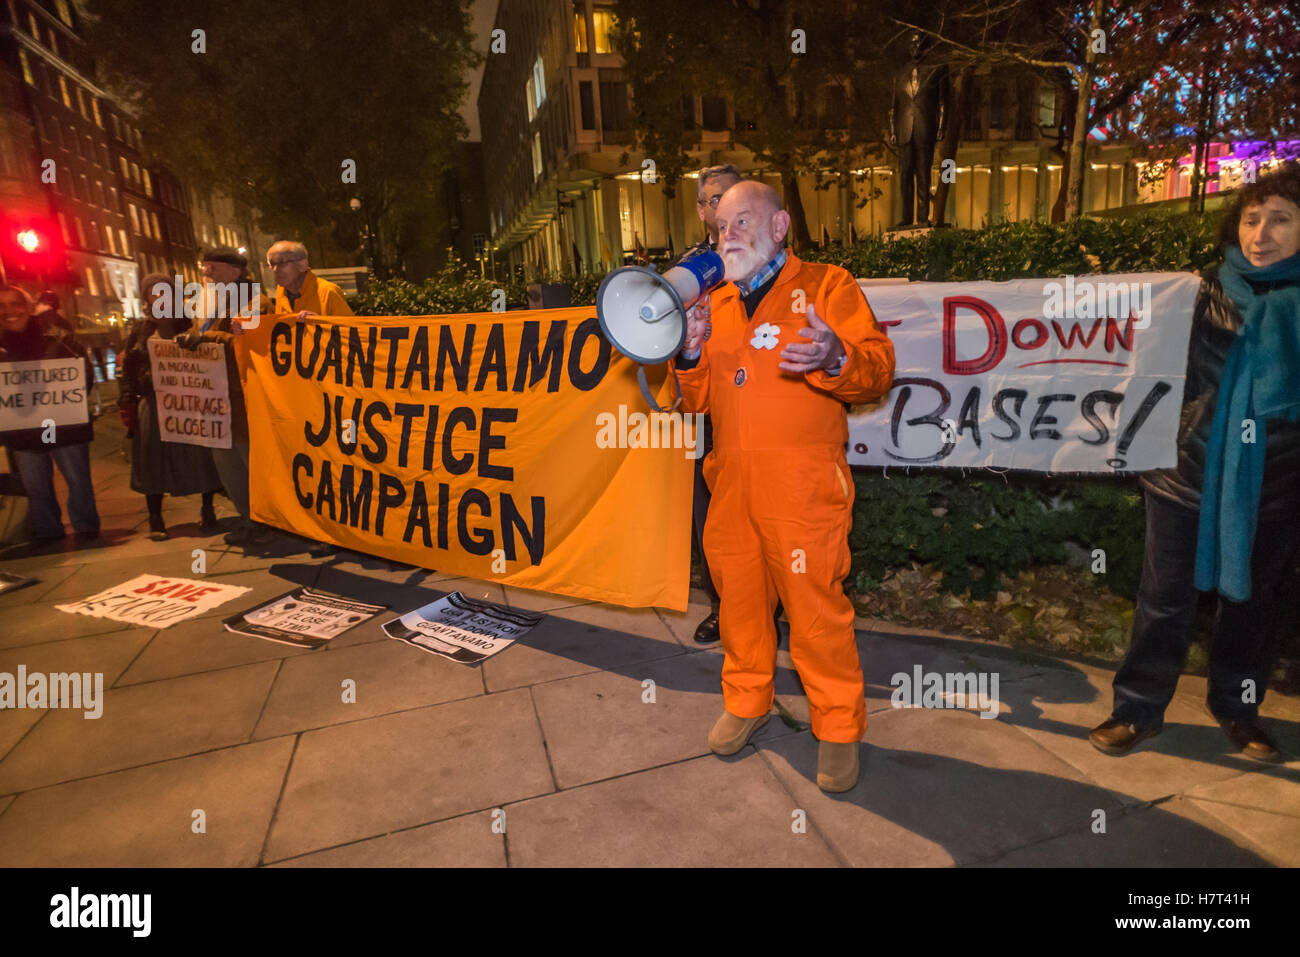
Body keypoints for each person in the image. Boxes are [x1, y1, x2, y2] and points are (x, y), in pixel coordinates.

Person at [671, 181, 896, 791]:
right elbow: (692, 401)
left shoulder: (828, 284)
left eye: (743, 220)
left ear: (779, 226)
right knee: (739, 604)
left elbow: (876, 368)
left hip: (803, 490)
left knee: (815, 614)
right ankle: (747, 700)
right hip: (733, 486)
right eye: (720, 226)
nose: (728, 235)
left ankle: (839, 727)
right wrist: (688, 355)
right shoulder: (713, 302)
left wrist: (832, 356)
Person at [1091, 162, 1300, 764]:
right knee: (1163, 599)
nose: (1260, 233)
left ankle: (1238, 711)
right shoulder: (1195, 294)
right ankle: (1137, 709)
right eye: (1251, 219)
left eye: (1280, 219)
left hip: (1278, 486)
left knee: (1254, 606)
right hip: (1184, 478)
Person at [261, 240, 353, 556]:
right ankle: (322, 529)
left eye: (282, 262)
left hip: (335, 396)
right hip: (307, 396)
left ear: (303, 264)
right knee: (315, 465)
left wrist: (322, 325)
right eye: (270, 263)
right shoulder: (282, 297)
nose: (275, 270)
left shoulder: (328, 293)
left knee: (337, 463)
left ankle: (342, 531)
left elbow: (354, 338)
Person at [177, 248, 273, 546]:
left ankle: (266, 523)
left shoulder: (257, 303)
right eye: (204, 268)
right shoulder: (213, 306)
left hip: (245, 401)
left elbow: (252, 344)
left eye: (213, 268)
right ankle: (248, 519)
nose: (206, 274)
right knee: (229, 469)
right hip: (218, 404)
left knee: (250, 465)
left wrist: (207, 339)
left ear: (235, 272)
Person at [682, 164, 742, 644]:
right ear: (701, 210)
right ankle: (721, 606)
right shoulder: (692, 269)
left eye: (725, 196)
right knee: (710, 520)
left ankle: (767, 609)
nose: (717, 207)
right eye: (709, 200)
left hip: (760, 408)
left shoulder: (772, 258)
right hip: (708, 412)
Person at [117, 274, 223, 541]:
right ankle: (155, 516)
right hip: (153, 403)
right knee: (153, 458)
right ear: (147, 298)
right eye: (154, 292)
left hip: (188, 401)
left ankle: (207, 508)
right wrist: (128, 401)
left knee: (200, 456)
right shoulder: (141, 330)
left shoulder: (190, 324)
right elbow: (129, 370)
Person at [0, 284, 100, 544]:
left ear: (29, 307)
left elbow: (83, 372)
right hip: (22, 430)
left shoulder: (57, 337)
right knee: (35, 486)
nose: (9, 311)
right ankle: (47, 531)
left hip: (65, 426)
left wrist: (68, 399)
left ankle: (86, 528)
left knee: (78, 480)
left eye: (16, 304)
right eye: (2, 306)